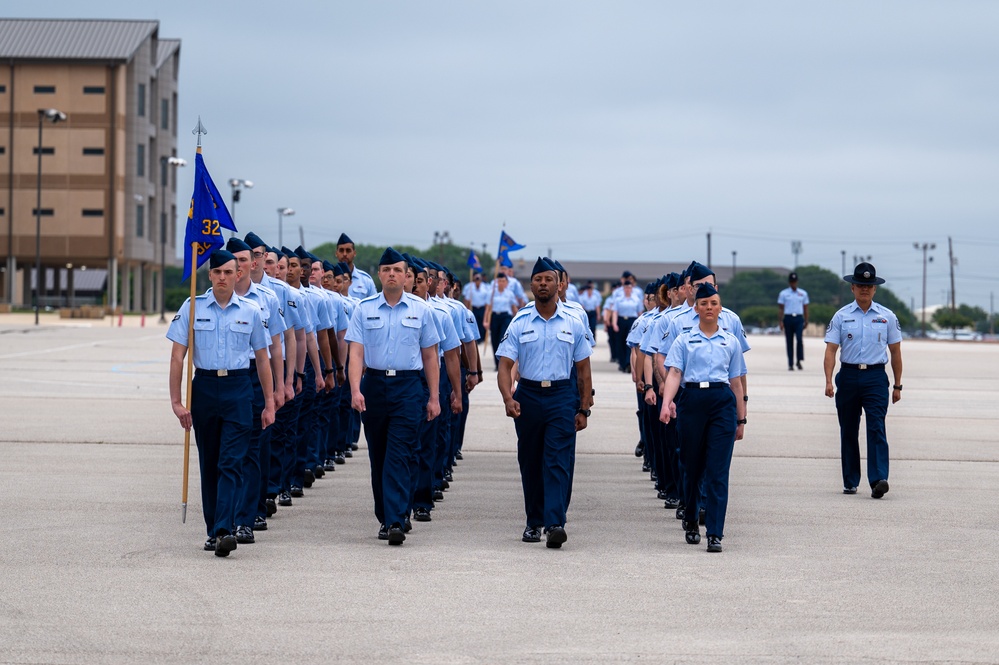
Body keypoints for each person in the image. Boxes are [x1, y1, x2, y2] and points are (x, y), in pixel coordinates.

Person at [167, 250, 275, 557]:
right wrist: (176, 401)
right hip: (204, 388)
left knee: (231, 462)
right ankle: (214, 529)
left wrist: (269, 402)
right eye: (218, 273)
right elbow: (178, 356)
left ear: (238, 274)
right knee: (210, 463)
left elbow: (263, 359)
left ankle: (225, 529)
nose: (224, 277)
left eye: (230, 272)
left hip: (239, 388)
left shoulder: (251, 311)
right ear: (210, 275)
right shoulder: (192, 307)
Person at [346, 247, 441, 545]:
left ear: (406, 276)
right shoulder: (364, 308)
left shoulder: (421, 309)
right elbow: (356, 353)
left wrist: (434, 396)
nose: (392, 274)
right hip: (374, 385)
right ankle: (386, 515)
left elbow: (430, 356)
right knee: (380, 455)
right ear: (379, 274)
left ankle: (396, 518)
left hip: (408, 387)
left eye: (398, 270)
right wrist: (355, 390)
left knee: (400, 454)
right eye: (387, 270)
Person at [497, 257, 593, 549]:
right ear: (531, 285)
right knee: (530, 461)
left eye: (548, 279)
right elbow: (505, 365)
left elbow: (583, 370)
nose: (543, 284)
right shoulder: (520, 321)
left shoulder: (574, 322)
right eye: (537, 280)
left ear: (558, 284)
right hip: (528, 395)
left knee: (557, 461)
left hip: (562, 396)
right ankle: (533, 521)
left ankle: (554, 524)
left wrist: (584, 407)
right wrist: (507, 396)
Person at [660, 283, 746, 553]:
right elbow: (675, 373)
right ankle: (690, 517)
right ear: (695, 308)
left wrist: (741, 419)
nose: (709, 308)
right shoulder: (684, 339)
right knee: (691, 466)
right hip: (692, 401)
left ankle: (715, 533)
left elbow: (736, 381)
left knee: (718, 472)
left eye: (714, 303)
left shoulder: (729, 341)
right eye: (704, 303)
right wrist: (667, 403)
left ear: (720, 308)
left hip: (721, 403)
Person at [823, 262, 903, 498]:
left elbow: (896, 352)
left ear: (875, 289)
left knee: (876, 426)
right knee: (848, 428)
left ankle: (878, 478)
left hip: (876, 377)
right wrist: (828, 380)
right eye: (860, 285)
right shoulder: (841, 316)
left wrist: (897, 385)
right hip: (848, 376)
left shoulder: (886, 317)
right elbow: (831, 350)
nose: (864, 290)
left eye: (868, 286)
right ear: (852, 288)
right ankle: (850, 480)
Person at [484, 272, 519, 370]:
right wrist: (485, 321)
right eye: (499, 281)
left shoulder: (510, 294)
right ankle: (496, 364)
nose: (501, 283)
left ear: (506, 283)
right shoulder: (491, 293)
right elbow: (487, 308)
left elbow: (513, 308)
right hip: (494, 316)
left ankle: (501, 364)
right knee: (494, 340)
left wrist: (518, 318)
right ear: (496, 282)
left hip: (505, 317)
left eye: (503, 281)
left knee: (502, 339)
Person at [610, 273, 643, 373]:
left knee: (630, 343)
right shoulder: (618, 299)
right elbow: (615, 312)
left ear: (631, 288)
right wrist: (614, 323)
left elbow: (640, 313)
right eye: (626, 288)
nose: (627, 290)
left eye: (629, 288)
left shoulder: (636, 299)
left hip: (632, 321)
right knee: (620, 343)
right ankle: (622, 363)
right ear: (623, 288)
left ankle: (628, 363)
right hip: (621, 320)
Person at [778, 272, 809, 370]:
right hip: (788, 318)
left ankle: (799, 360)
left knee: (799, 339)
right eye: (792, 282)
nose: (793, 284)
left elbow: (805, 308)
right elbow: (781, 309)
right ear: (789, 282)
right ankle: (790, 363)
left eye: (795, 282)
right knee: (789, 341)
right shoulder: (784, 294)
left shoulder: (803, 293)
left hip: (799, 318)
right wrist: (780, 321)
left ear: (797, 282)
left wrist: (806, 320)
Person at [336, 232, 377, 299]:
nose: (344, 254)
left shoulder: (365, 280)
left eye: (348, 250)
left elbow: (374, 305)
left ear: (354, 253)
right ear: (336, 253)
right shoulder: (328, 278)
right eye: (341, 250)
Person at [462, 271, 490, 341]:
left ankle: (482, 339)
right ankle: (476, 339)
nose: (477, 281)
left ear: (481, 280)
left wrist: (487, 310)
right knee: (475, 323)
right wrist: (467, 310)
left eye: (479, 279)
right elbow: (467, 300)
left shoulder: (485, 288)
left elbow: (487, 300)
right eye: (476, 279)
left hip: (482, 308)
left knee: (481, 324)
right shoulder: (470, 288)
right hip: (474, 308)